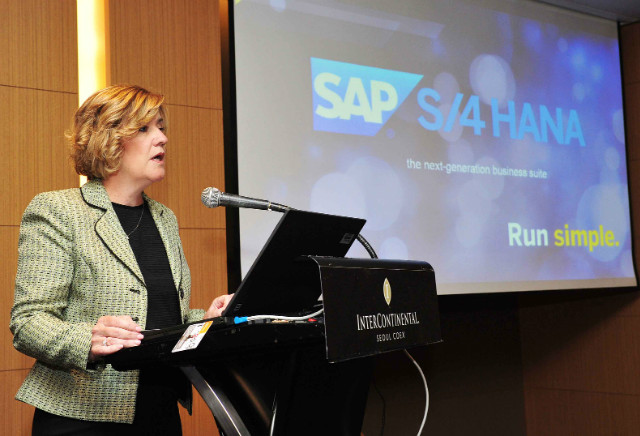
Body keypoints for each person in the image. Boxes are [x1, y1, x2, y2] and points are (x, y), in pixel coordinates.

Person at [10, 84, 232, 435]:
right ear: (108, 140)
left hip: (160, 411)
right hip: (82, 417)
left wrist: (206, 320)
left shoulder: (164, 218)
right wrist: (90, 341)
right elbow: (29, 322)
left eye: (161, 127)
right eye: (145, 128)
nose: (162, 138)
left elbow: (159, 317)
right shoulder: (58, 210)